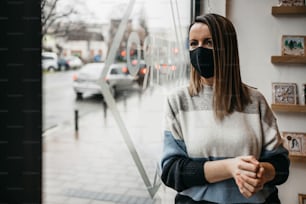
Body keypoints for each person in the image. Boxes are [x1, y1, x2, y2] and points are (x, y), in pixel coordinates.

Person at [160, 13, 290, 204]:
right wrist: (230, 167)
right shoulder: (178, 101)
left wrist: (261, 173)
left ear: (226, 48)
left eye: (209, 42)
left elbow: (281, 166)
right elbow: (172, 171)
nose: (199, 50)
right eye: (193, 43)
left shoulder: (255, 100)